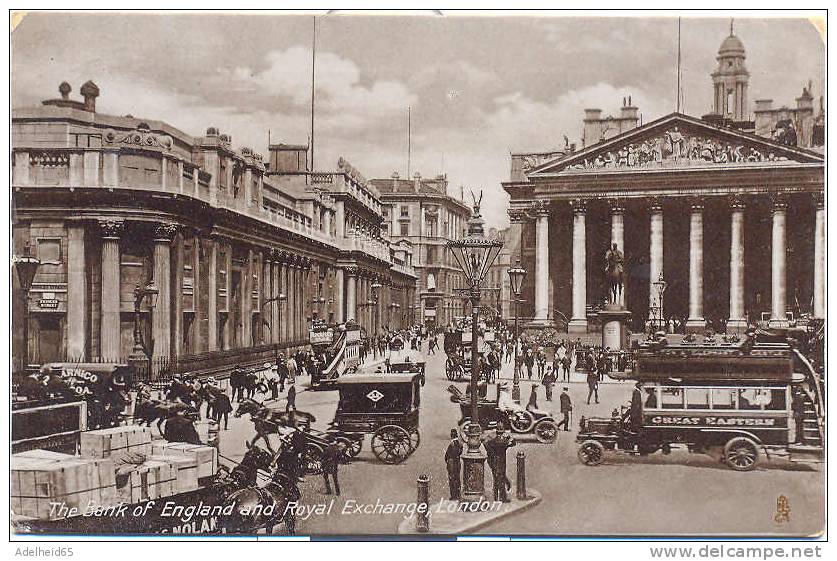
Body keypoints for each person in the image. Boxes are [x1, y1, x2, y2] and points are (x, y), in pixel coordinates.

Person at [484, 426, 515, 502]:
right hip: (502, 462)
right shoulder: (504, 441)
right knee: (500, 480)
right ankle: (502, 498)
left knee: (496, 479)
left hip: (493, 461)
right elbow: (513, 443)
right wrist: (508, 437)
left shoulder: (493, 441)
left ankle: (496, 497)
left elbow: (485, 443)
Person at [444, 429, 463, 500]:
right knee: (457, 479)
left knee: (452, 480)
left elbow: (447, 455)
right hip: (457, 463)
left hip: (451, 464)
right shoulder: (460, 444)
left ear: (451, 436)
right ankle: (458, 494)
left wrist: (447, 460)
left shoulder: (451, 445)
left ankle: (453, 495)